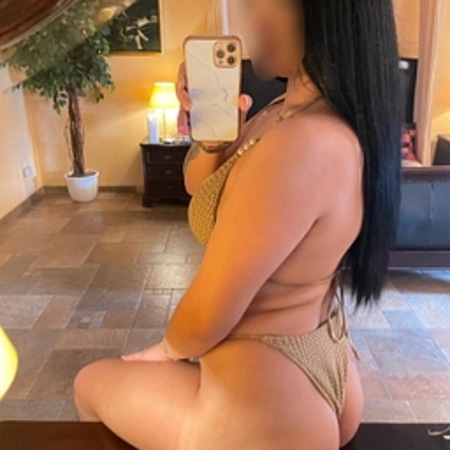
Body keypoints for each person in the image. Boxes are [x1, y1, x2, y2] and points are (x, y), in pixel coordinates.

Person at [73, 0, 402, 448]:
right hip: (314, 367)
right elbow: (201, 187)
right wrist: (213, 136)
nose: (248, 16)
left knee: (89, 383)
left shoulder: (301, 143)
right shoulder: (294, 111)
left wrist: (166, 350)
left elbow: (205, 316)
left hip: (266, 409)